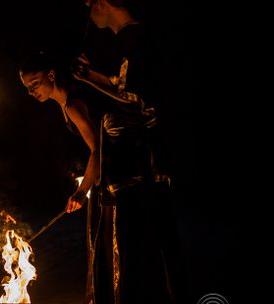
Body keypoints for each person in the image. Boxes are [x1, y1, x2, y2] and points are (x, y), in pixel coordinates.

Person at [71, 0, 188, 303]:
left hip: (140, 167)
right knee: (137, 250)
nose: (89, 14)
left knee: (142, 252)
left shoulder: (135, 38)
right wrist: (91, 77)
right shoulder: (128, 40)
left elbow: (137, 100)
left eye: (89, 5)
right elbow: (122, 84)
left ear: (102, 2)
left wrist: (90, 81)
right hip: (131, 169)